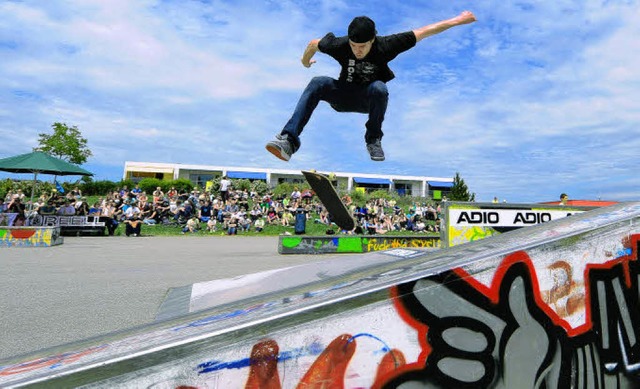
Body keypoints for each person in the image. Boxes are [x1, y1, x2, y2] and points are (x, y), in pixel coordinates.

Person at [266, 11, 476, 162]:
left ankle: (373, 139)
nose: (357, 51)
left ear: (373, 40)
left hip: (368, 99)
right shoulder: (339, 44)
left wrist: (458, 20)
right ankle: (289, 140)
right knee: (318, 82)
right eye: (354, 46)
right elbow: (313, 44)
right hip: (341, 96)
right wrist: (305, 62)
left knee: (379, 88)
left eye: (363, 47)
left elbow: (424, 31)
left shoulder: (387, 45)